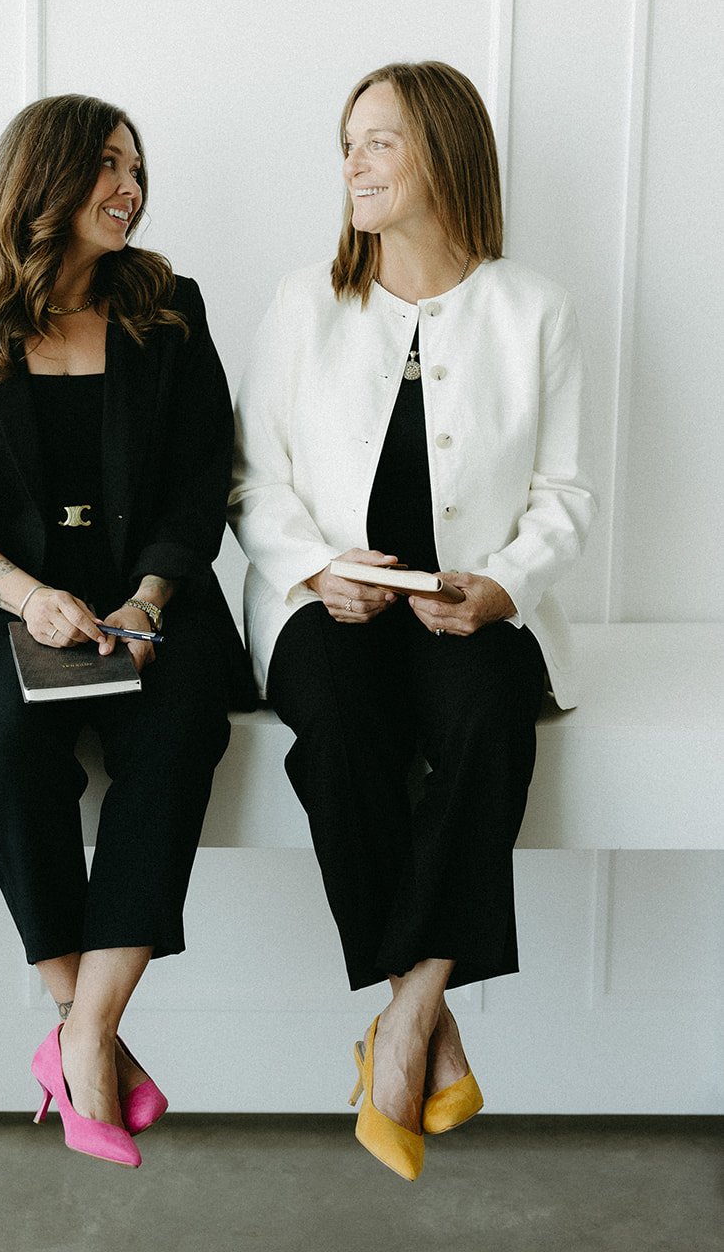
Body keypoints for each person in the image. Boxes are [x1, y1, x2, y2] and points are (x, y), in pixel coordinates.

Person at [0, 93, 253, 1169]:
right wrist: (29, 596)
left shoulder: (169, 310)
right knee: (12, 737)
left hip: (147, 594)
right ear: (43, 179)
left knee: (178, 732)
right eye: (107, 166)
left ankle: (80, 1039)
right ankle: (90, 1037)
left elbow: (198, 482)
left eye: (136, 167)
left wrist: (146, 602)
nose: (130, 187)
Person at [228, 61, 596, 1181]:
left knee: (489, 725)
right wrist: (311, 569)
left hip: (465, 604)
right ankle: (417, 1027)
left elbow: (565, 496)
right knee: (341, 734)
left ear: (441, 153)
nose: (351, 162)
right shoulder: (305, 300)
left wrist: (504, 583)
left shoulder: (533, 310)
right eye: (346, 141)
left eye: (377, 140)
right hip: (320, 604)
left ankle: (401, 1021)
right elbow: (252, 484)